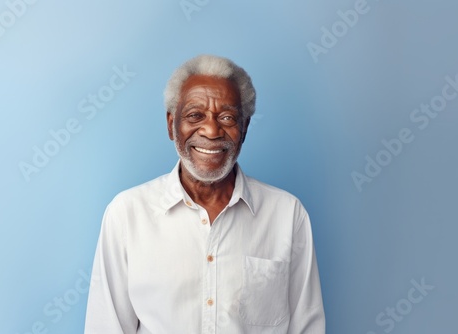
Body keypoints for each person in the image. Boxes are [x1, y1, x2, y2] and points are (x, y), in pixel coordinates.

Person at [84, 54, 325, 334]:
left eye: (227, 117)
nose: (211, 130)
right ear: (171, 125)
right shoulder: (126, 213)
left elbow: (307, 328)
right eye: (195, 115)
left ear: (244, 128)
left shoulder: (287, 214)